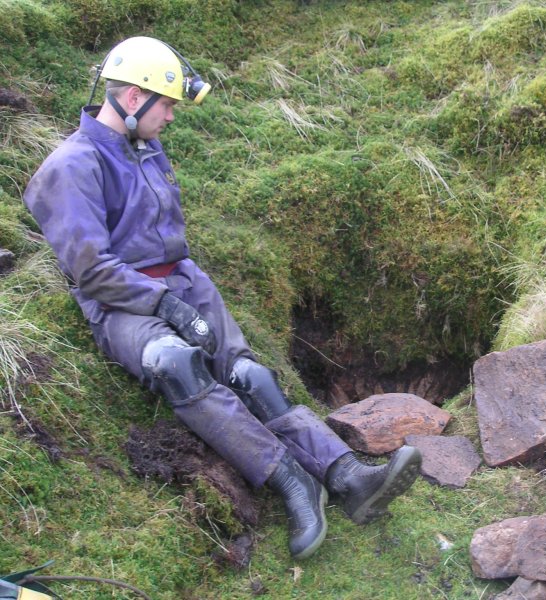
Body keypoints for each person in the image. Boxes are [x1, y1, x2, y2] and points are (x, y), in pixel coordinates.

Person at [23, 36, 421, 560]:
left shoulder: (146, 148)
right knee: (176, 364)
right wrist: (164, 306)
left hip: (186, 282)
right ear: (134, 98)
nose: (170, 116)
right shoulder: (70, 167)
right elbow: (92, 269)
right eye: (166, 105)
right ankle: (291, 482)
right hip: (120, 303)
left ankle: (346, 476)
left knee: (248, 374)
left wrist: (183, 295)